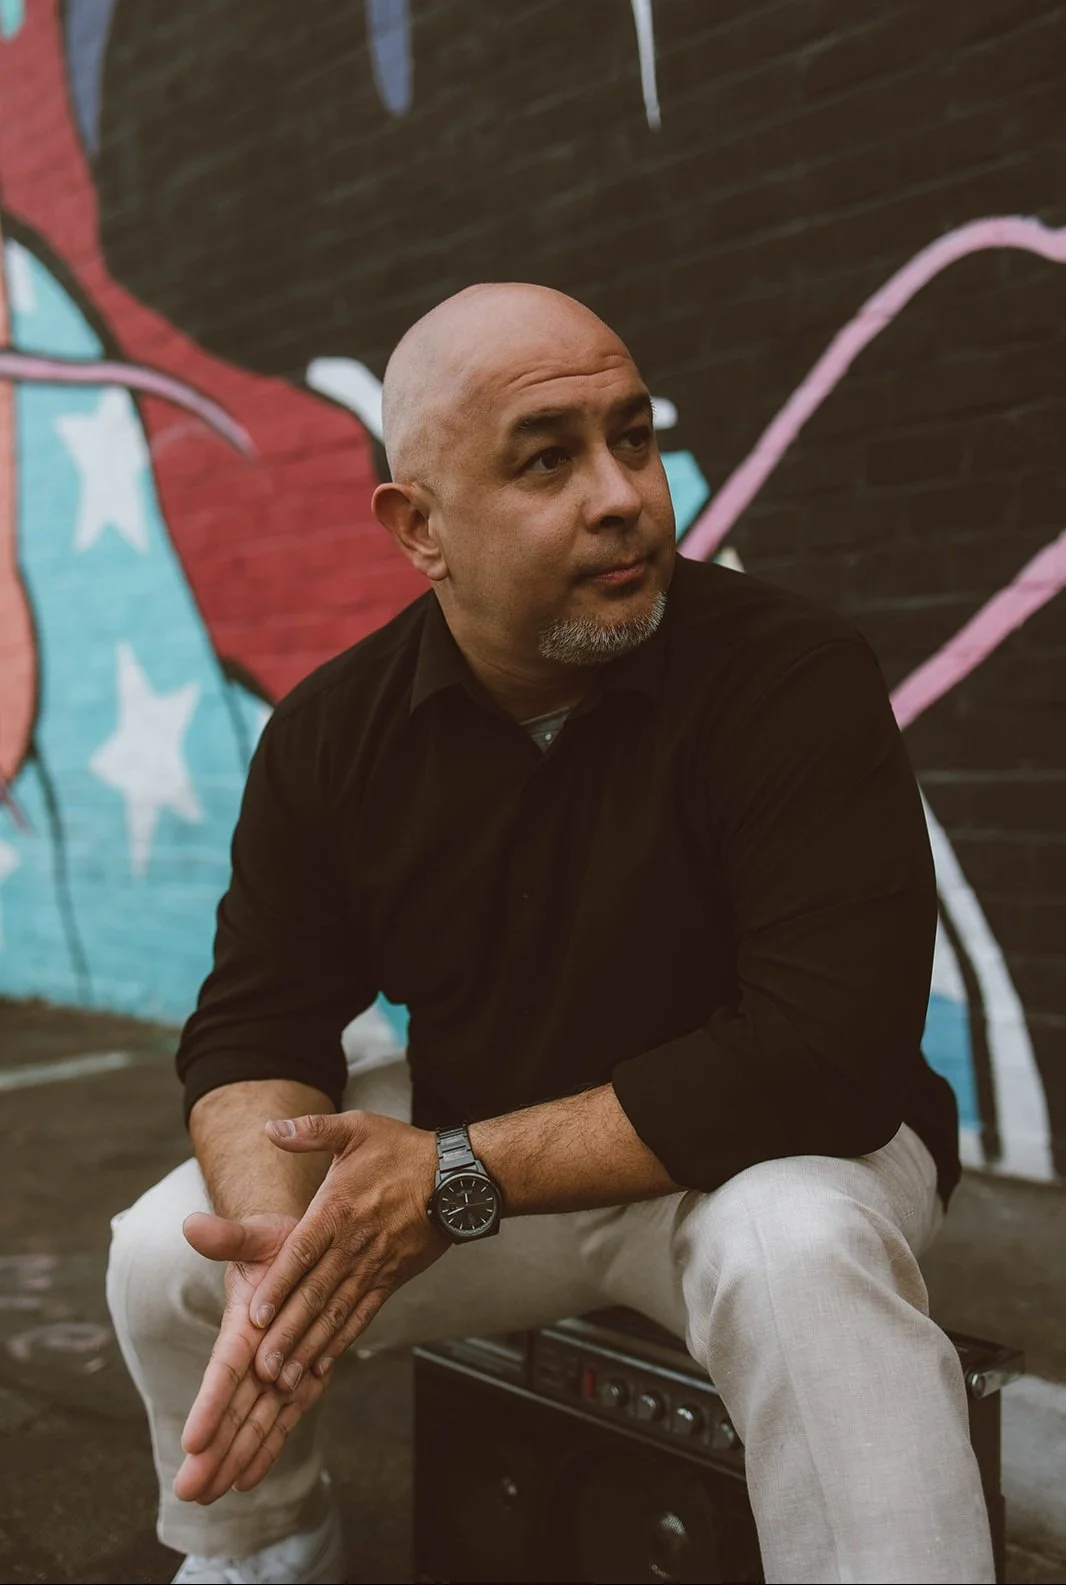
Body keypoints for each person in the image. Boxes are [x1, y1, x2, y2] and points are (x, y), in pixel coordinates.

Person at [106, 283, 994, 1585]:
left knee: (794, 1251)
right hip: (495, 1169)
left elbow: (825, 1051)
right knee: (161, 1257)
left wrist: (456, 1172)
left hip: (756, 1163)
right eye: (546, 460)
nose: (623, 493)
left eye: (631, 439)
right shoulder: (330, 739)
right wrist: (273, 1251)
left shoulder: (790, 674)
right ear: (420, 528)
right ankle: (263, 1548)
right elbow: (254, 1025)